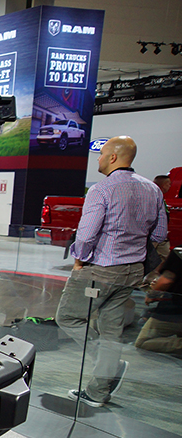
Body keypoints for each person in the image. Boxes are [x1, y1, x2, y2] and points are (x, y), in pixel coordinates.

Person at [55, 135, 167, 406]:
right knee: (110, 330)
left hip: (100, 271)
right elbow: (161, 234)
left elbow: (86, 234)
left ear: (113, 157)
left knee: (69, 318)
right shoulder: (152, 189)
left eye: (102, 154)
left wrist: (79, 259)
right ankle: (97, 392)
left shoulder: (101, 190)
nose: (100, 159)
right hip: (132, 272)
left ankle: (109, 367)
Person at [135, 247, 182, 356]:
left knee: (143, 342)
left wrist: (152, 293)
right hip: (174, 309)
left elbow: (166, 281)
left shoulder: (179, 250)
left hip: (174, 311)